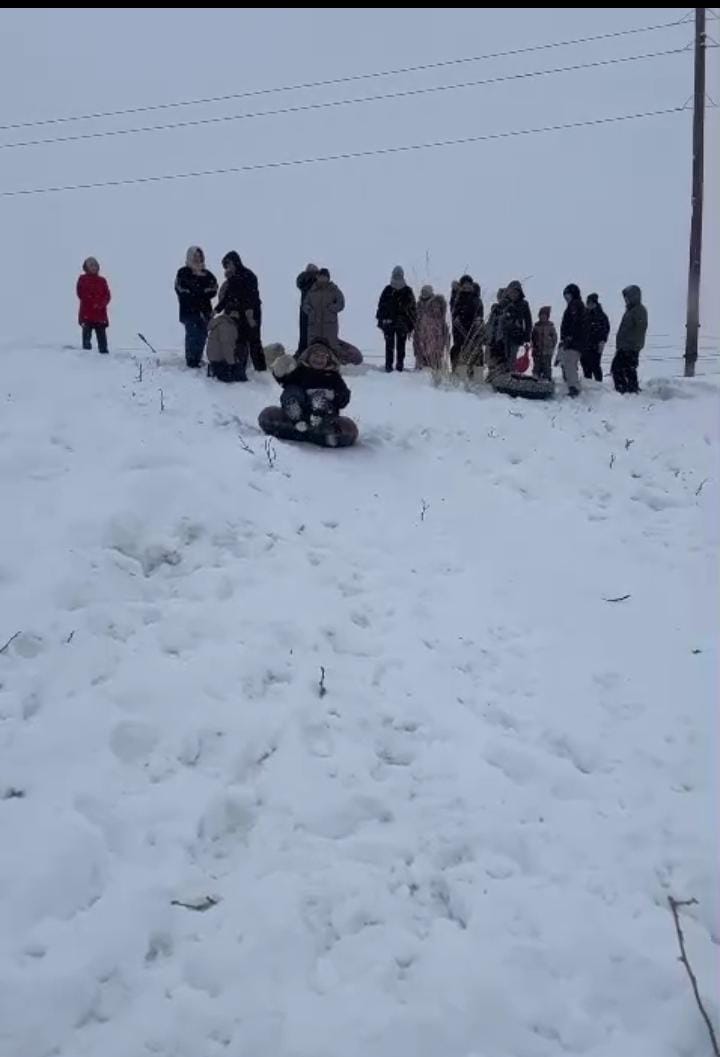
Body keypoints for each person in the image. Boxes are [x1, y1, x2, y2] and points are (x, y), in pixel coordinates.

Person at [259, 341, 358, 448]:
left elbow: (343, 397)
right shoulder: (300, 371)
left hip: (325, 416)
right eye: (315, 356)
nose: (319, 359)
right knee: (292, 390)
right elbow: (285, 382)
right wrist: (279, 371)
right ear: (308, 357)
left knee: (319, 398)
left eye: (322, 357)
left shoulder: (333, 377)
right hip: (301, 414)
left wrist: (334, 395)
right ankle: (294, 411)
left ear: (328, 359)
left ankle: (318, 420)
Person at [174, 246, 218, 368]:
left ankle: (197, 358)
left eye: (200, 256)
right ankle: (191, 361)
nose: (198, 259)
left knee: (202, 335)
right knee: (193, 335)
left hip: (205, 311)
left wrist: (198, 292)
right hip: (189, 311)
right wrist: (199, 293)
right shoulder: (183, 272)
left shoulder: (207, 274)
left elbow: (213, 289)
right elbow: (181, 290)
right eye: (195, 256)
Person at [376, 266, 417, 372]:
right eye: (396, 274)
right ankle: (392, 366)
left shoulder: (405, 291)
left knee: (397, 346)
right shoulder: (389, 290)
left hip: (399, 323)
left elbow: (412, 309)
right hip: (392, 323)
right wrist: (382, 321)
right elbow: (381, 307)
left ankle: (396, 366)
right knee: (393, 346)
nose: (397, 276)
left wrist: (410, 324)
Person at [611, 285, 648, 394]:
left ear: (633, 297)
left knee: (625, 368)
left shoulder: (639, 310)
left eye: (627, 297)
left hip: (630, 347)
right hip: (624, 346)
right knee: (622, 368)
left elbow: (640, 329)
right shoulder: (630, 310)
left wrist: (632, 343)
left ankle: (628, 390)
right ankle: (627, 389)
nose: (625, 300)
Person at [303, 268, 346, 351]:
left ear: (328, 278)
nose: (322, 279)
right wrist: (310, 311)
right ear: (317, 277)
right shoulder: (312, 291)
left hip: (329, 326)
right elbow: (305, 304)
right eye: (320, 276)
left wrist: (331, 309)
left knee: (331, 348)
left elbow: (341, 303)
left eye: (324, 277)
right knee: (313, 349)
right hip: (314, 326)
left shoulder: (334, 290)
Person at [76, 257, 111, 355]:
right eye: (91, 265)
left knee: (102, 342)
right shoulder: (82, 279)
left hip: (100, 315)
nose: (94, 267)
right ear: (86, 267)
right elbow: (81, 293)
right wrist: (92, 302)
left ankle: (105, 357)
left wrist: (100, 304)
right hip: (86, 315)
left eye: (95, 265)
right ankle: (85, 359)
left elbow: (107, 295)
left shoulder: (102, 280)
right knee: (86, 342)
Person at [450, 274, 483, 372]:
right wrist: (454, 291)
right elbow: (453, 310)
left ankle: (476, 374)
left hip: (473, 330)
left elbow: (480, 314)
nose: (467, 286)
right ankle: (457, 371)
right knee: (457, 350)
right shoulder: (457, 297)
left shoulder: (476, 298)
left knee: (476, 352)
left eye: (469, 284)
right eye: (464, 284)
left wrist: (477, 322)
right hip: (459, 330)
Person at [558, 283, 586, 397]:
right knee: (568, 363)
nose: (566, 297)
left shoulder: (575, 305)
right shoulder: (575, 305)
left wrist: (569, 336)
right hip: (573, 341)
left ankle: (574, 387)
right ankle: (571, 384)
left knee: (570, 363)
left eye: (567, 294)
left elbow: (575, 323)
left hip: (574, 341)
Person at [413, 285, 449, 370]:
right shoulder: (419, 304)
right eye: (423, 292)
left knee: (434, 349)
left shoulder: (436, 303)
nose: (424, 294)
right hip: (421, 330)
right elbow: (416, 316)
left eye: (426, 292)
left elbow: (440, 318)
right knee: (420, 348)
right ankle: (421, 367)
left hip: (434, 331)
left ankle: (435, 367)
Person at [501, 279, 532, 374]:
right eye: (512, 292)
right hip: (503, 335)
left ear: (519, 293)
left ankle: (511, 373)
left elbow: (528, 321)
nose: (514, 294)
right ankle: (502, 373)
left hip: (516, 335)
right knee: (502, 356)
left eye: (516, 292)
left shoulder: (523, 304)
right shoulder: (504, 303)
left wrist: (527, 335)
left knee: (512, 356)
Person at [582, 293, 610, 381]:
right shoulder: (584, 314)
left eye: (590, 303)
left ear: (595, 303)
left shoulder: (601, 315)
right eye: (587, 303)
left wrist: (602, 341)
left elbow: (606, 329)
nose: (589, 305)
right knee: (585, 366)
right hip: (585, 344)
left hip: (596, 345)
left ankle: (599, 384)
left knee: (595, 365)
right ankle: (588, 382)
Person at [295, 263, 319, 354]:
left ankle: (303, 351)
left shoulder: (304, 281)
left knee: (305, 333)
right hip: (312, 311)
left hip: (306, 312)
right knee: (311, 333)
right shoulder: (315, 282)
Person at [484, 287, 507, 380]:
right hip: (492, 341)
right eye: (500, 297)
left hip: (502, 342)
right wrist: (486, 336)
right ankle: (491, 377)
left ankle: (498, 378)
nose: (502, 299)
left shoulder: (509, 310)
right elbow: (490, 325)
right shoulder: (494, 311)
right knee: (492, 362)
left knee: (501, 363)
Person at [530, 307, 557, 381]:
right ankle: (536, 376)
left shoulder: (550, 327)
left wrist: (551, 345)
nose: (542, 317)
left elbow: (554, 338)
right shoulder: (536, 326)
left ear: (547, 317)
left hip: (547, 350)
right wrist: (533, 345)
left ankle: (547, 377)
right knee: (537, 365)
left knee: (547, 365)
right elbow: (533, 337)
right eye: (541, 315)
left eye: (544, 316)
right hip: (537, 350)